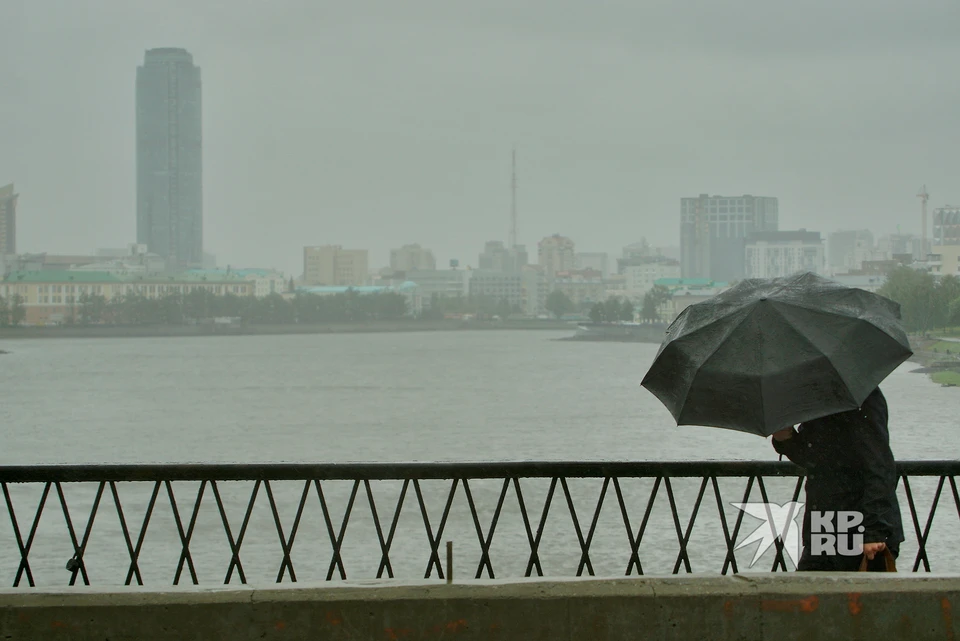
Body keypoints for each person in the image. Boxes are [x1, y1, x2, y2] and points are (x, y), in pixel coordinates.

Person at [772, 387, 904, 571]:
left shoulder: (862, 396)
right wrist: (786, 439)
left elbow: (880, 465)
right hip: (824, 523)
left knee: (856, 598)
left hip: (859, 523)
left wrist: (874, 532)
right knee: (807, 594)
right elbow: (817, 461)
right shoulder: (817, 399)